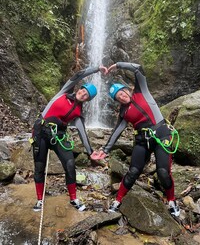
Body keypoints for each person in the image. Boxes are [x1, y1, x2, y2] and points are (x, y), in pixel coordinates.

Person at [91, 62, 180, 217]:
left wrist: (118, 65)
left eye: (122, 92)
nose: (122, 96)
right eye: (118, 96)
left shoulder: (141, 92)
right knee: (133, 171)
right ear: (117, 100)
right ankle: (118, 200)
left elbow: (138, 68)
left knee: (163, 172)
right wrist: (105, 150)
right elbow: (117, 131)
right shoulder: (124, 112)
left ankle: (172, 200)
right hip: (142, 140)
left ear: (127, 89)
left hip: (161, 135)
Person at [32, 65, 108, 212]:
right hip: (41, 133)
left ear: (88, 100)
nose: (83, 94)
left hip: (59, 136)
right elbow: (78, 75)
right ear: (79, 89)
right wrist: (97, 69)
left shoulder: (78, 112)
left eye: (87, 95)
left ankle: (73, 199)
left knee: (70, 164)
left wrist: (90, 151)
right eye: (83, 90)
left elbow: (82, 132)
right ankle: (39, 200)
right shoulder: (64, 93)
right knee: (39, 168)